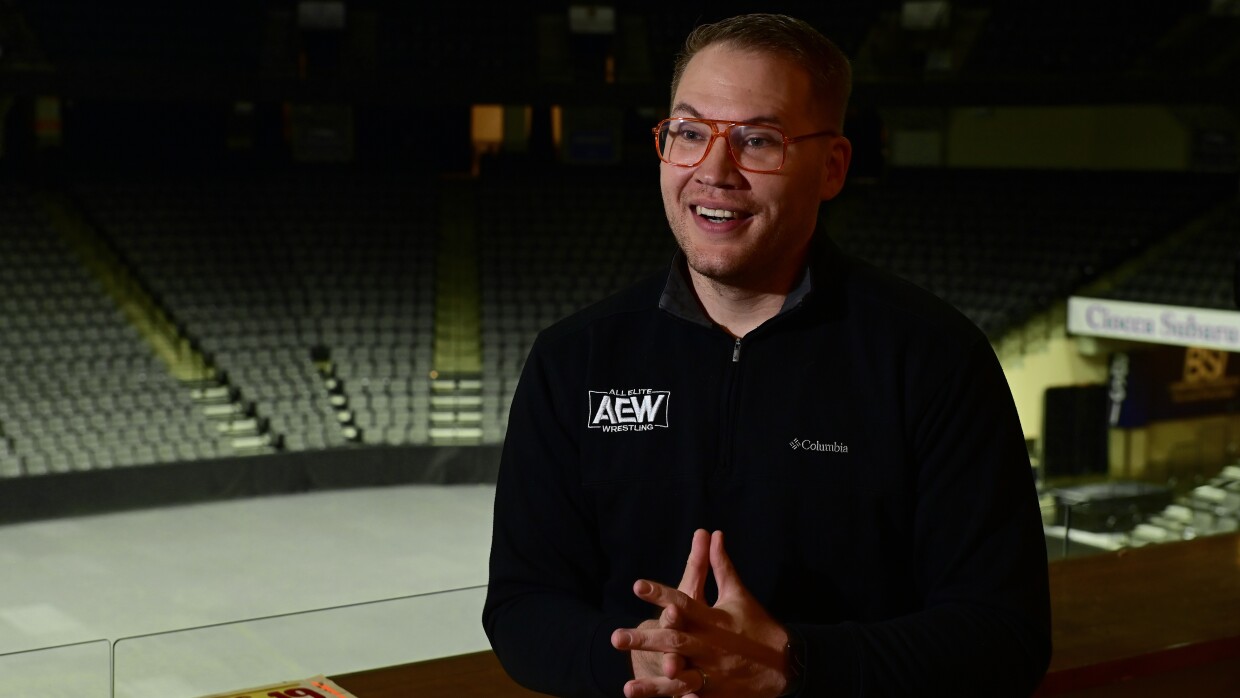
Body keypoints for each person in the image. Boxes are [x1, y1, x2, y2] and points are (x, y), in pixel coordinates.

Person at [483, 13, 1051, 698]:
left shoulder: (937, 359)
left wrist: (789, 663)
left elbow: (1006, 635)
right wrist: (641, 660)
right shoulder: (574, 358)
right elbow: (521, 606)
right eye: (689, 133)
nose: (713, 171)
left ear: (832, 167)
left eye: (757, 140)